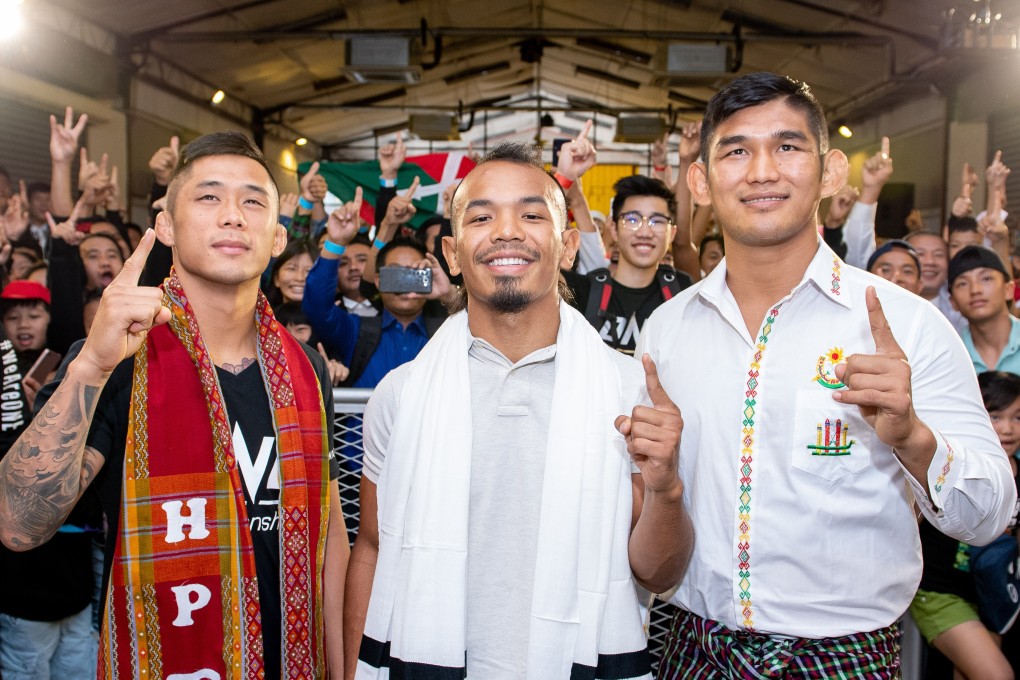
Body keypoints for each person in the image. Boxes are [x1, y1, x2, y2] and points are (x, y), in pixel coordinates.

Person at [638, 72, 1015, 677]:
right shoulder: (666, 331)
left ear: (830, 171)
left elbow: (990, 515)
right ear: (701, 181)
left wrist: (914, 439)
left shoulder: (908, 326)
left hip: (844, 655)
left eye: (787, 147)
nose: (763, 171)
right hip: (693, 649)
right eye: (736, 150)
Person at [0, 131, 348, 679]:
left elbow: (330, 543)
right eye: (208, 197)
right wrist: (90, 367)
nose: (233, 215)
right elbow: (19, 526)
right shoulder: (115, 357)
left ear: (277, 237)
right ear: (165, 224)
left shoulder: (305, 369)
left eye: (253, 200)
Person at [344, 142, 694, 678]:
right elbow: (370, 548)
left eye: (532, 214)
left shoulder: (629, 392)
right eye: (482, 217)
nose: (507, 231)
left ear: (569, 246)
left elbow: (659, 572)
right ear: (454, 254)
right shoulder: (402, 394)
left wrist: (667, 487)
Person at [908, 370, 1019, 680]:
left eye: (1017, 418)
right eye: (995, 417)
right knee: (996, 673)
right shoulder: (944, 468)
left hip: (991, 593)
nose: (1008, 430)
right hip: (940, 592)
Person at [563, 174, 692, 354]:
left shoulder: (684, 292)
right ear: (614, 229)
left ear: (672, 234)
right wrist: (565, 175)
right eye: (632, 220)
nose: (645, 232)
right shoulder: (583, 290)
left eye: (657, 221)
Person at [949, 245, 1020, 374]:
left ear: (1009, 290)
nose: (975, 290)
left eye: (986, 278)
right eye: (962, 283)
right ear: (953, 301)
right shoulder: (948, 356)